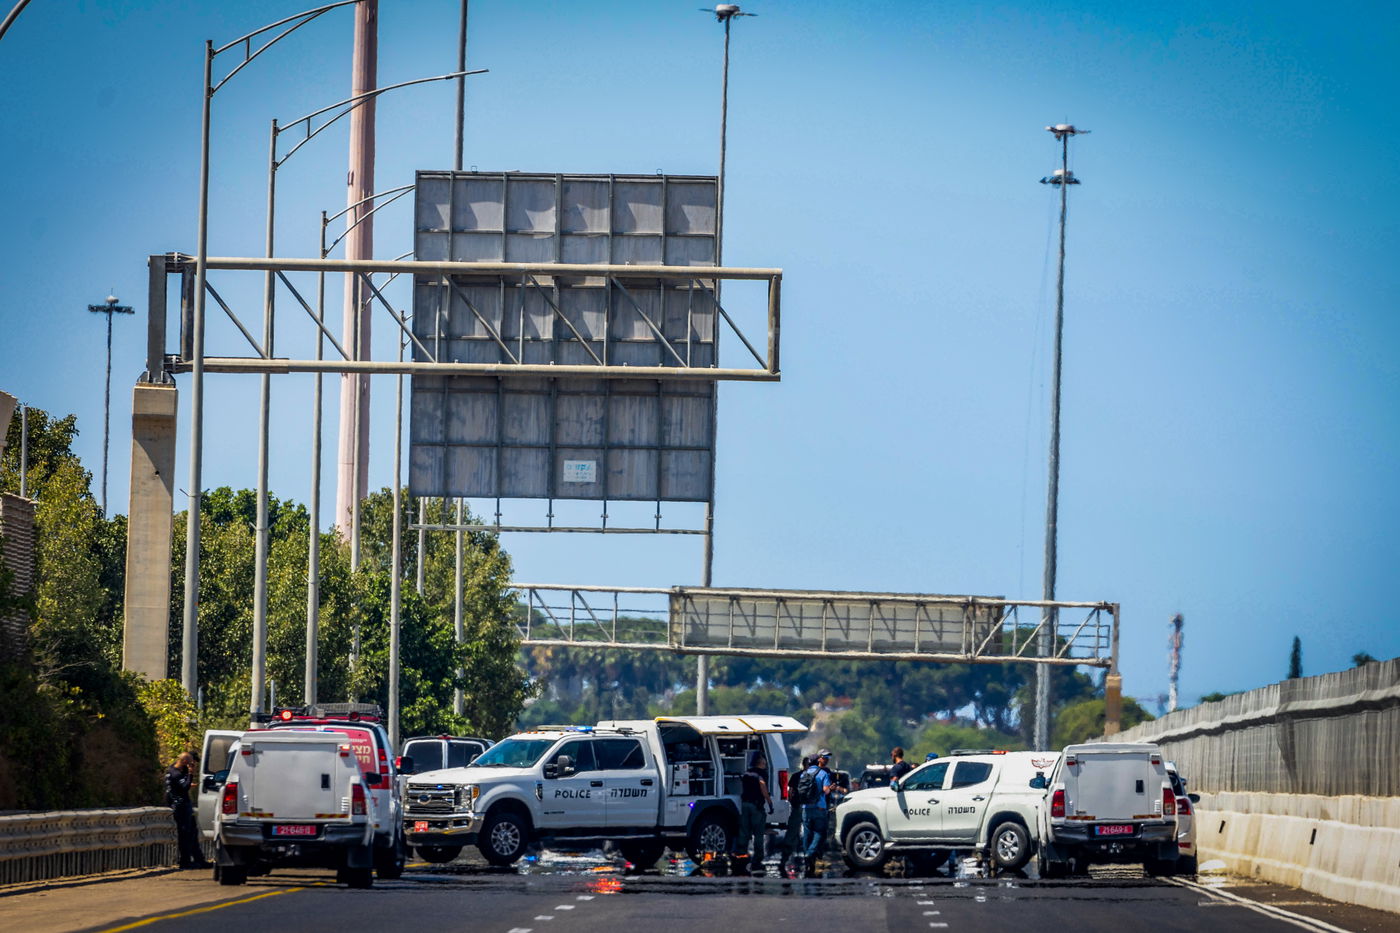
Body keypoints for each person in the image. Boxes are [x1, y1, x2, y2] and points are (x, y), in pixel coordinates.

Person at [800, 749, 843, 875]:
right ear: (818, 760)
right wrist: (830, 788)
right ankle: (810, 854)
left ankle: (807, 858)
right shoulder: (823, 773)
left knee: (807, 834)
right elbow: (826, 791)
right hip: (819, 807)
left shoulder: (804, 773)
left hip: (806, 808)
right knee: (819, 832)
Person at [165, 752, 210, 870]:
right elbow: (184, 787)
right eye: (190, 763)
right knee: (185, 835)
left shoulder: (176, 770)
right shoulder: (175, 773)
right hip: (180, 806)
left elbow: (182, 785)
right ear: (184, 762)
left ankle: (199, 859)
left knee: (192, 833)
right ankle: (185, 862)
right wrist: (190, 773)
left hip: (185, 805)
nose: (192, 765)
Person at [733, 750, 773, 874]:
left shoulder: (746, 774)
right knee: (758, 834)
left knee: (744, 832)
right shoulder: (761, 774)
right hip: (756, 807)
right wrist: (770, 803)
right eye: (763, 759)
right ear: (760, 762)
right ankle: (757, 862)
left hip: (745, 805)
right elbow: (762, 786)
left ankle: (741, 857)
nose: (765, 762)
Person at [782, 755, 810, 865]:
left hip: (798, 806)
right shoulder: (812, 776)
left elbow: (790, 792)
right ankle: (805, 855)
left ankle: (786, 855)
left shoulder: (795, 776)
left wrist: (792, 802)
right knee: (802, 831)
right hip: (804, 807)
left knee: (793, 831)